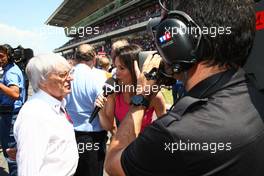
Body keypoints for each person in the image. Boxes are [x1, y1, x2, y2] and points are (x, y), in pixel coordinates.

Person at [104, 0, 264, 175]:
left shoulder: (175, 132)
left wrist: (141, 98)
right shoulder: (254, 95)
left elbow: (112, 164)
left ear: (181, 43)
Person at [13, 53, 79, 176]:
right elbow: (28, 171)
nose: (70, 78)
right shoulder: (35, 114)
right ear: (43, 81)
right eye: (62, 75)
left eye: (69, 73)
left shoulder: (55, 104)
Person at [96, 44, 166, 132]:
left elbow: (165, 127)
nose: (116, 73)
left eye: (121, 68)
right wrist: (100, 111)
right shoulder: (114, 92)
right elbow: (108, 126)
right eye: (116, 67)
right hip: (123, 144)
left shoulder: (154, 95)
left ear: (135, 68)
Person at [65, 44, 109, 176]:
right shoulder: (98, 77)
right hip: (93, 136)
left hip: (71, 134)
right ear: (94, 59)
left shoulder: (66, 76)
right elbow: (106, 111)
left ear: (75, 58)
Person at [0, 44, 26, 176]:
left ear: (9, 56)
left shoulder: (11, 72)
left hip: (10, 116)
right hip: (8, 115)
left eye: (1, 56)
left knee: (11, 153)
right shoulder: (9, 70)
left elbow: (15, 94)